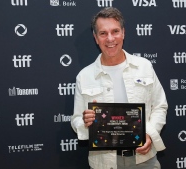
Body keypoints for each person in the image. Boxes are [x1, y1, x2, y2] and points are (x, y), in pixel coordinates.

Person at [71, 7, 168, 169]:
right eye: (103, 33)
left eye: (115, 31)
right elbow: (76, 120)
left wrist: (150, 134)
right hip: (104, 162)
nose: (110, 39)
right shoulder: (84, 76)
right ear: (96, 38)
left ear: (123, 33)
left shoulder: (144, 66)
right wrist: (85, 121)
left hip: (143, 159)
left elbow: (160, 106)